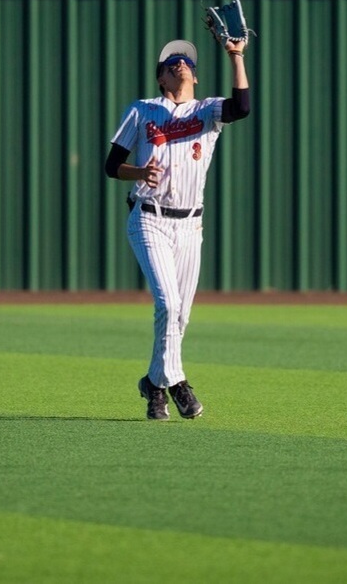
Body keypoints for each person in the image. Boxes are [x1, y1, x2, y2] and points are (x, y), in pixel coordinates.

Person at [104, 37, 250, 420]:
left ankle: (154, 385)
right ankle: (178, 383)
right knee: (167, 305)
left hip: (190, 225)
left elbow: (243, 107)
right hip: (149, 217)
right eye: (173, 63)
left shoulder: (207, 110)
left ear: (195, 78)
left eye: (186, 62)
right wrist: (139, 171)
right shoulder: (142, 110)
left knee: (180, 317)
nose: (181, 64)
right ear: (162, 79)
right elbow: (111, 165)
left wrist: (235, 56)